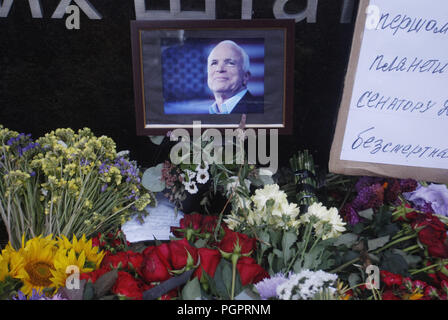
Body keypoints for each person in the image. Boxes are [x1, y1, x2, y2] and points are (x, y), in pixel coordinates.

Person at [207, 40, 263, 114]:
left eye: (230, 63)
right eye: (214, 63)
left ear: (245, 77)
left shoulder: (259, 111)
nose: (219, 69)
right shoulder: (208, 113)